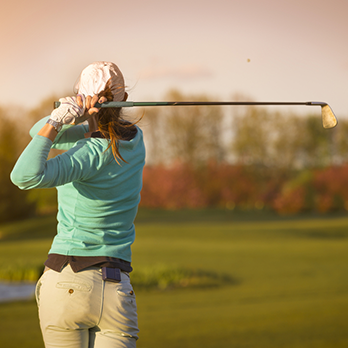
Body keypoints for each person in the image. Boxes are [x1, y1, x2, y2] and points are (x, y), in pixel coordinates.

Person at [10, 61, 145, 348]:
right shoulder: (136, 141)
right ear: (124, 100)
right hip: (116, 289)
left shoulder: (86, 154)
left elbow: (23, 175)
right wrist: (82, 119)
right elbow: (42, 133)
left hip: (66, 280)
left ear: (82, 96)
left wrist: (59, 117)